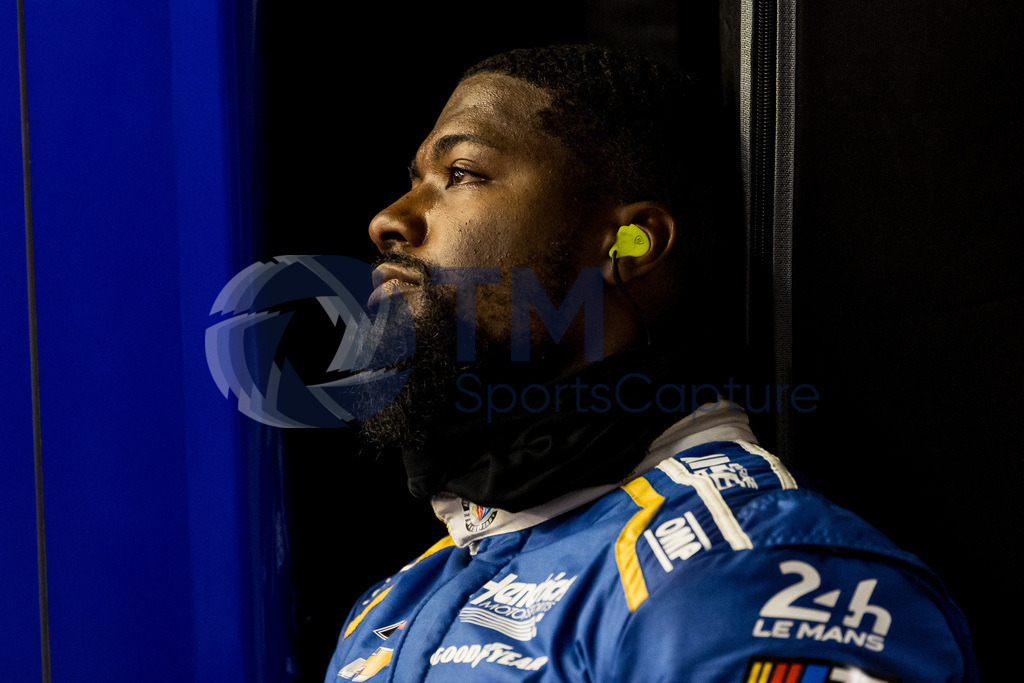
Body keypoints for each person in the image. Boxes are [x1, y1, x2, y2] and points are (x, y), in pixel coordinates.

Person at [325, 45, 977, 682]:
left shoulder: (744, 572)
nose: (390, 219)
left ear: (628, 247)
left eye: (461, 173)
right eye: (414, 181)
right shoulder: (393, 604)